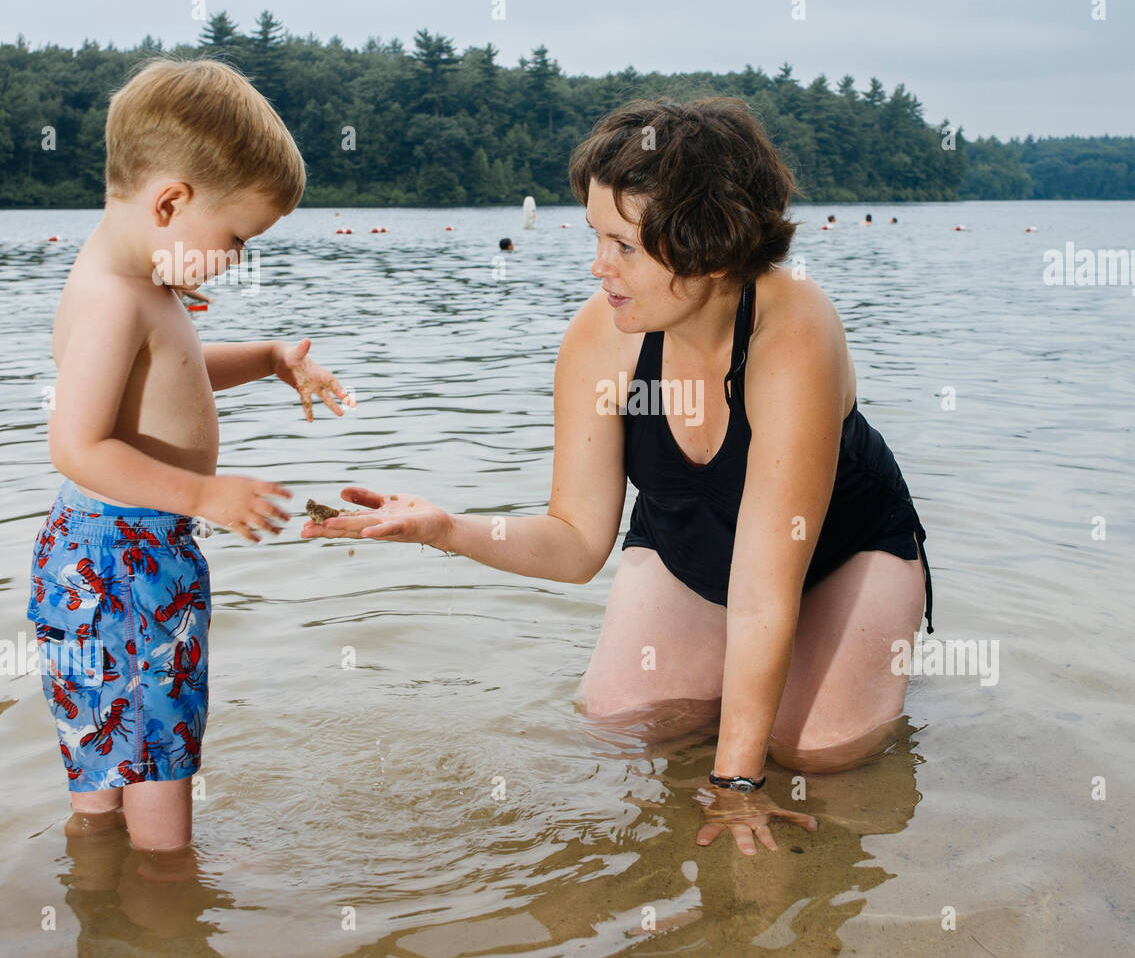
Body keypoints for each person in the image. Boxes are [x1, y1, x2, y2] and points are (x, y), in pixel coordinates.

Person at [305, 97, 933, 857]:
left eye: (624, 246)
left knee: (817, 759)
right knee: (622, 731)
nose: (599, 266)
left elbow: (765, 593)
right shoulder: (603, 334)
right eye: (595, 237)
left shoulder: (793, 329)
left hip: (839, 555)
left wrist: (736, 787)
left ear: (711, 244)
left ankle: (832, 675)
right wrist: (446, 530)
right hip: (688, 546)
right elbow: (574, 543)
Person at [26, 58, 354, 854]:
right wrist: (201, 496)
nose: (238, 258)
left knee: (110, 763)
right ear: (170, 201)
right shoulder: (115, 298)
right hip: (127, 564)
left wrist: (269, 356)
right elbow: (76, 444)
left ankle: (101, 898)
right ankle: (167, 910)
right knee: (159, 773)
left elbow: (172, 377)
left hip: (100, 560)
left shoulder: (136, 284)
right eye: (237, 237)